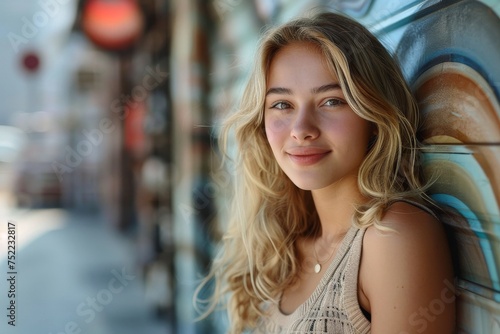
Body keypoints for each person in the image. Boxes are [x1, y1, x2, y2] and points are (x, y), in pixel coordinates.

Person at [196, 11, 455, 333]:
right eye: (282, 105)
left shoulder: (393, 236)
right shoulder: (284, 244)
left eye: (331, 101)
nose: (301, 129)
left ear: (373, 117)